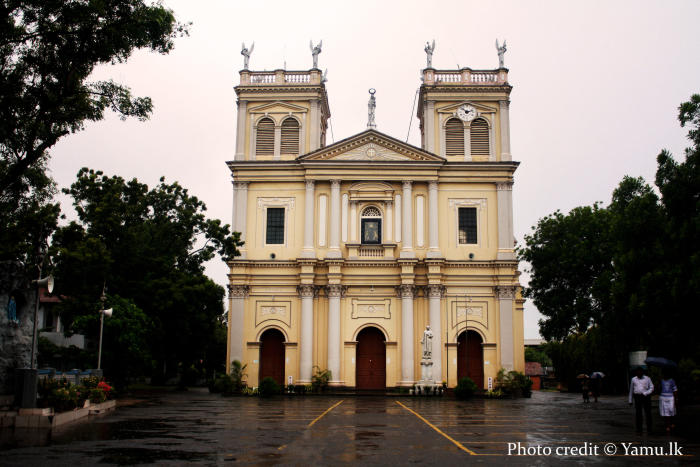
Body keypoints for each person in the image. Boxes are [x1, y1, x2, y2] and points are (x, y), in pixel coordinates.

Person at [629, 367, 654, 433]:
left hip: (646, 397)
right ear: (636, 373)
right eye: (637, 372)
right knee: (638, 414)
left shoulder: (647, 378)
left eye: (640, 372)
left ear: (642, 372)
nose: (639, 373)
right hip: (637, 397)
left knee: (648, 413)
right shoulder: (633, 379)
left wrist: (646, 393)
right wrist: (630, 400)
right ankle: (639, 429)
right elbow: (631, 390)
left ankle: (649, 429)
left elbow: (651, 387)